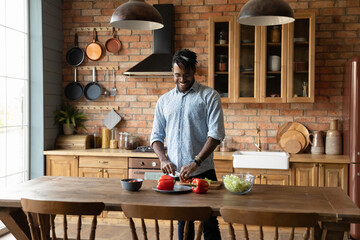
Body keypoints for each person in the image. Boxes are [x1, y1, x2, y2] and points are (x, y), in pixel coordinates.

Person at [150, 49, 225, 240]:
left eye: (186, 75)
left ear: (194, 71)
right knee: (183, 224)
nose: (182, 79)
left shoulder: (209, 96)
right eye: (177, 75)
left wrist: (196, 162)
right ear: (172, 73)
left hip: (203, 173)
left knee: (209, 222)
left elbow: (215, 135)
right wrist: (163, 159)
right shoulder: (164, 101)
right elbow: (156, 137)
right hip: (176, 176)